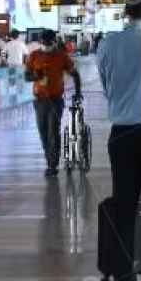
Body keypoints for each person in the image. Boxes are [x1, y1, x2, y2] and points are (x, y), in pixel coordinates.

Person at [97, 1, 141, 281]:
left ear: (126, 14)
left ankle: (123, 277)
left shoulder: (108, 44)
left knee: (124, 205)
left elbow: (106, 85)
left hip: (122, 132)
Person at [25, 28, 81, 177]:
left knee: (53, 132)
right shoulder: (34, 55)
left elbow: (75, 74)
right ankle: (49, 158)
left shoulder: (62, 56)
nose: (46, 44)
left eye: (49, 42)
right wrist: (36, 77)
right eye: (44, 42)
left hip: (56, 100)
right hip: (39, 101)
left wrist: (78, 92)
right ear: (40, 42)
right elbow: (26, 76)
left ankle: (52, 164)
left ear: (54, 41)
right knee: (43, 133)